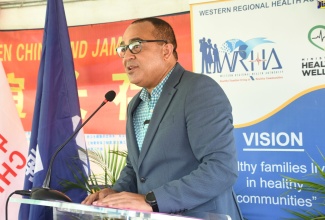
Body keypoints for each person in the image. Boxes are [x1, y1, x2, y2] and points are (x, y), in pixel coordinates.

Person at [82, 17, 243, 220]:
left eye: (136, 46)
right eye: (123, 49)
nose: (126, 56)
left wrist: (153, 200)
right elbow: (136, 166)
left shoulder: (199, 90)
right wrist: (116, 193)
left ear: (166, 50)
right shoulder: (136, 105)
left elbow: (221, 168)